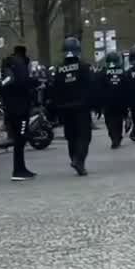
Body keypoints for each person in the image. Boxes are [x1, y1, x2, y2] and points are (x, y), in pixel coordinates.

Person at [49, 37, 94, 176]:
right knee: (84, 135)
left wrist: (57, 107)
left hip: (65, 109)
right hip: (81, 107)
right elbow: (91, 86)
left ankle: (74, 157)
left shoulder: (59, 70)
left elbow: (54, 89)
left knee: (71, 136)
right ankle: (79, 160)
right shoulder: (84, 67)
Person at [0, 45, 37, 181]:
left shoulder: (8, 65)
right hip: (21, 109)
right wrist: (35, 83)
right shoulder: (20, 65)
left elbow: (6, 85)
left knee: (18, 140)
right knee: (21, 139)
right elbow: (23, 83)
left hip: (10, 108)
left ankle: (21, 168)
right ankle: (18, 170)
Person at [98, 51, 130, 148]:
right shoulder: (123, 72)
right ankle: (117, 137)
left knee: (109, 121)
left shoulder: (103, 73)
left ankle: (113, 137)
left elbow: (99, 87)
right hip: (120, 101)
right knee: (118, 120)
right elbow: (127, 87)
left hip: (107, 102)